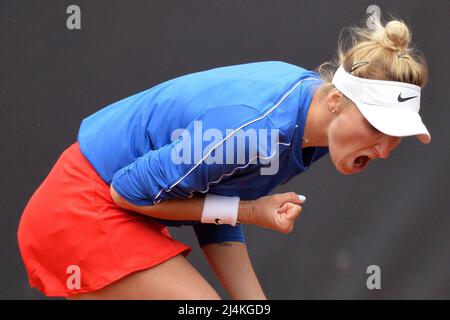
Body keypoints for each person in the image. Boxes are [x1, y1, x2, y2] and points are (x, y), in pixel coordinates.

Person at [17, 18, 430, 299]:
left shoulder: (313, 120)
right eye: (377, 128)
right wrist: (251, 211)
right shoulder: (254, 129)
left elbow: (213, 204)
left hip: (107, 206)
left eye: (397, 136)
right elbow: (125, 193)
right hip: (78, 210)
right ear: (337, 100)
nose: (383, 148)